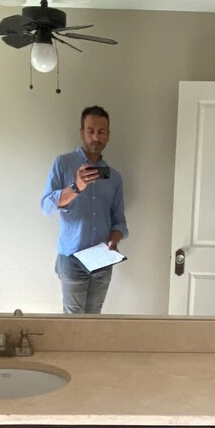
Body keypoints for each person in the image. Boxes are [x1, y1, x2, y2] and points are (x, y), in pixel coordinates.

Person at [41, 105, 128, 314]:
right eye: (91, 131)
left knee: (93, 320)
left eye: (101, 132)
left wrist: (114, 241)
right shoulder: (63, 164)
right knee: (73, 322)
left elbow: (119, 220)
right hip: (72, 258)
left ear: (108, 136)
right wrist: (76, 186)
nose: (96, 137)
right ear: (82, 133)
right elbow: (46, 206)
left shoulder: (114, 177)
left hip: (102, 260)